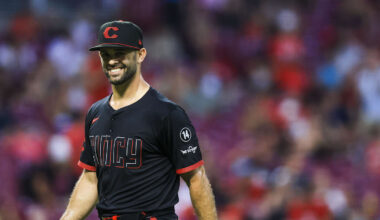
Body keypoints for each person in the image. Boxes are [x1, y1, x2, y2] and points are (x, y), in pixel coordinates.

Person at [60, 20, 217, 220]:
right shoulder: (95, 113)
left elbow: (196, 179)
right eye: (106, 54)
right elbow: (91, 179)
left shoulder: (167, 114)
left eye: (120, 53)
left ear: (141, 55)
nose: (112, 61)